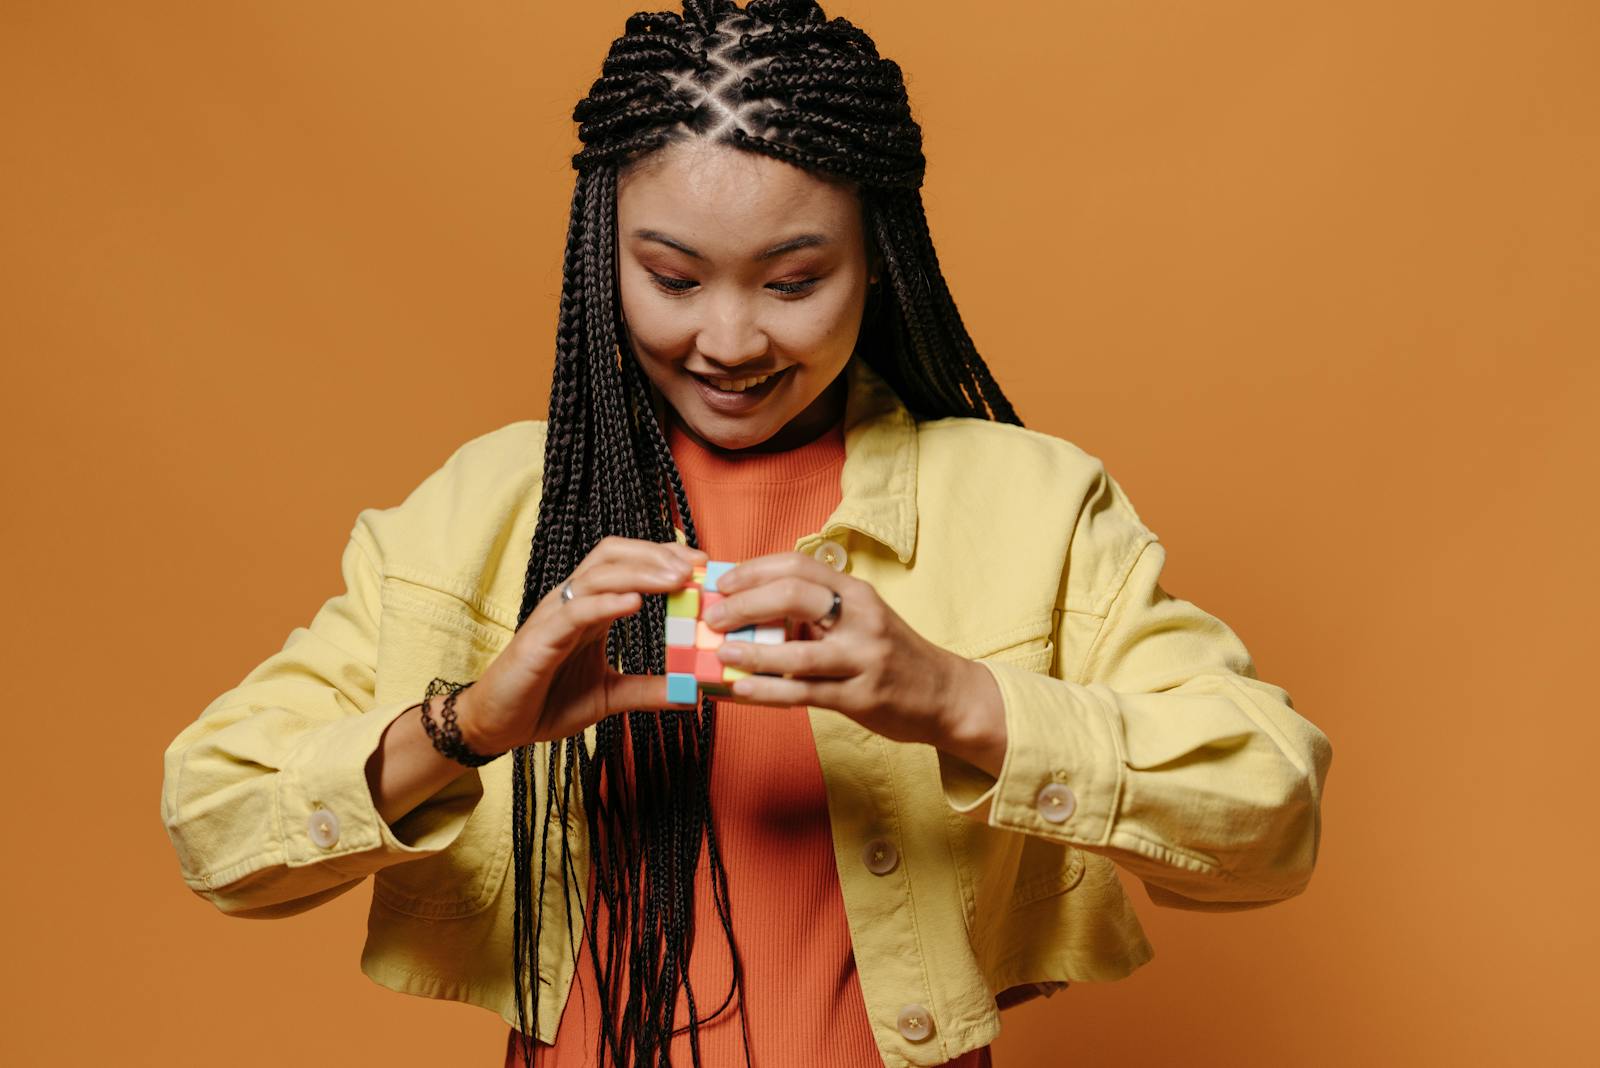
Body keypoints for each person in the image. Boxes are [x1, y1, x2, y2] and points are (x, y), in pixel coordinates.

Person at [160, 2, 1334, 1067]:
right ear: (599, 260)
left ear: (879, 261)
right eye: (670, 277)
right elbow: (215, 826)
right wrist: (466, 724)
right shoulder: (488, 507)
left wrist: (956, 699)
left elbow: (1271, 812)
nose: (728, 340)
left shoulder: (1035, 506)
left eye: (792, 280)